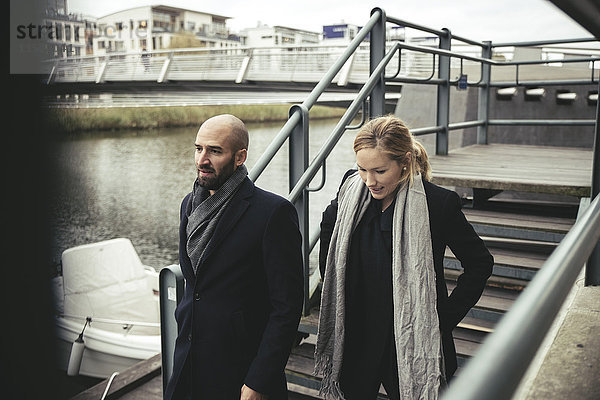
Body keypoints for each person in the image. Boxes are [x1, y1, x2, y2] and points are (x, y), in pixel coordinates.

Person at [314, 115, 493, 400]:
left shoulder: (438, 204)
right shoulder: (351, 189)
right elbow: (328, 225)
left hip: (412, 338)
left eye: (380, 171)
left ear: (405, 161)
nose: (369, 181)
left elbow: (480, 263)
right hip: (358, 335)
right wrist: (333, 277)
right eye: (362, 169)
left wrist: (442, 319)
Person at [165, 114, 304, 400]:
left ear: (240, 157)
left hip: (240, 369)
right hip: (187, 360)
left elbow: (286, 307)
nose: (202, 159)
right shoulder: (190, 203)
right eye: (198, 148)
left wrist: (260, 380)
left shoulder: (272, 213)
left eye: (215, 151)